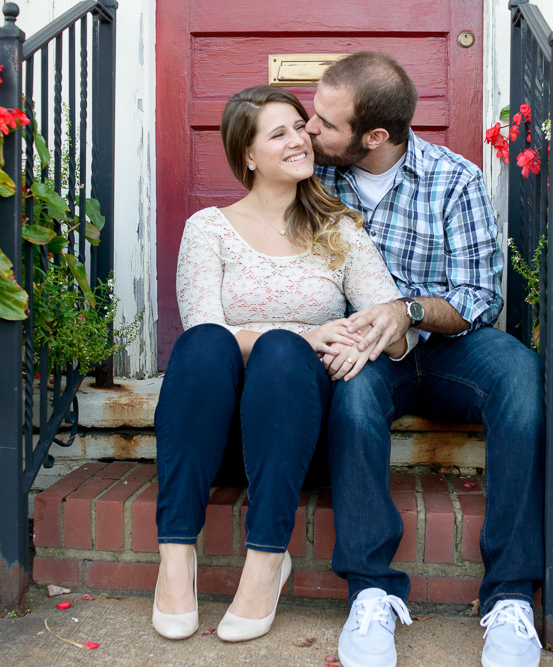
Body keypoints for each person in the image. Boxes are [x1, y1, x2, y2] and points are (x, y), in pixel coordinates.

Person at [151, 85, 418, 644]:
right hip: (215, 436)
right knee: (202, 345)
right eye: (280, 133)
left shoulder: (339, 230)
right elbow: (207, 331)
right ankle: (175, 559)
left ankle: (267, 558)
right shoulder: (209, 229)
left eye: (301, 126)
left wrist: (358, 341)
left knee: (279, 353)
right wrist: (307, 334)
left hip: (297, 435)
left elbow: (393, 330)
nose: (301, 138)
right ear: (247, 155)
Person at [304, 52, 546, 667]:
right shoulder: (312, 176)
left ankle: (511, 597)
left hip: (447, 348)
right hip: (365, 351)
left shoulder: (453, 178)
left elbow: (480, 297)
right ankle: (370, 590)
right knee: (354, 394)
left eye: (325, 123)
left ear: (375, 136)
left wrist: (408, 311)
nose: (310, 129)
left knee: (520, 372)